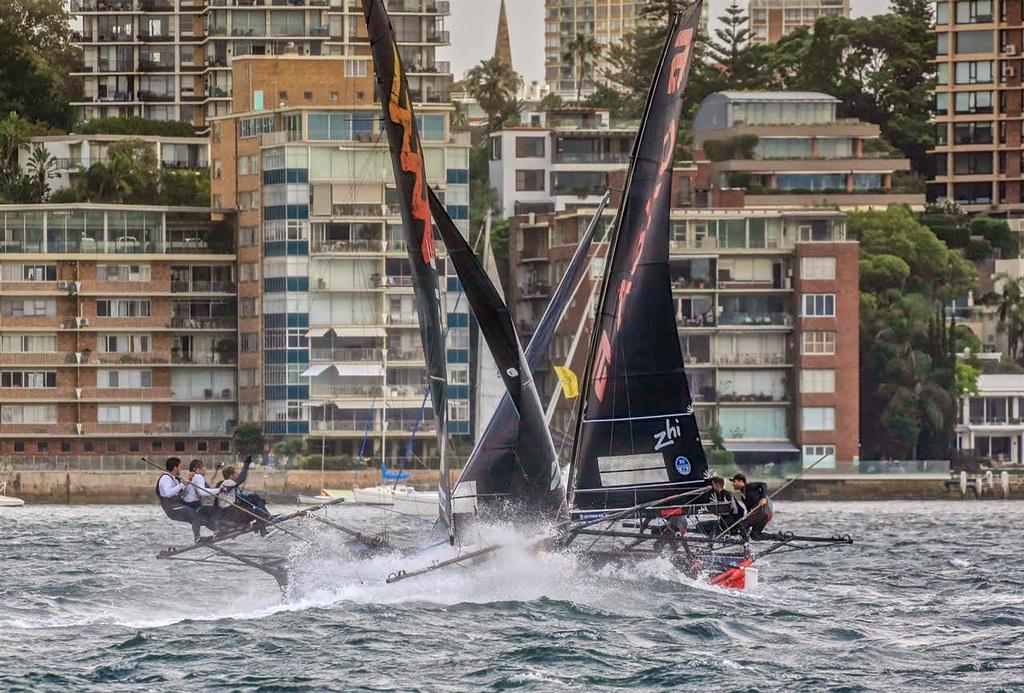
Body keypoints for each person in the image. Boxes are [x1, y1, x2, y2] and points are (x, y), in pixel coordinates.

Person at [155, 457, 202, 541]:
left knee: (203, 512)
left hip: (180, 506)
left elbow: (181, 491)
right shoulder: (165, 478)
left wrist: (188, 480)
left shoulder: (175, 479)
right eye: (180, 466)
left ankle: (218, 530)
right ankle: (197, 538)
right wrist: (182, 484)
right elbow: (168, 493)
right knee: (197, 516)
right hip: (173, 509)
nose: (181, 468)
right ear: (175, 467)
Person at [730, 472, 773, 537]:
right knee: (755, 535)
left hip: (764, 512)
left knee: (742, 525)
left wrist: (763, 498)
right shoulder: (743, 497)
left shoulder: (750, 486)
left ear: (740, 481)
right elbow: (749, 510)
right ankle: (780, 538)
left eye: (734, 481)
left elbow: (763, 484)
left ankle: (744, 542)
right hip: (759, 514)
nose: (732, 484)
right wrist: (748, 518)